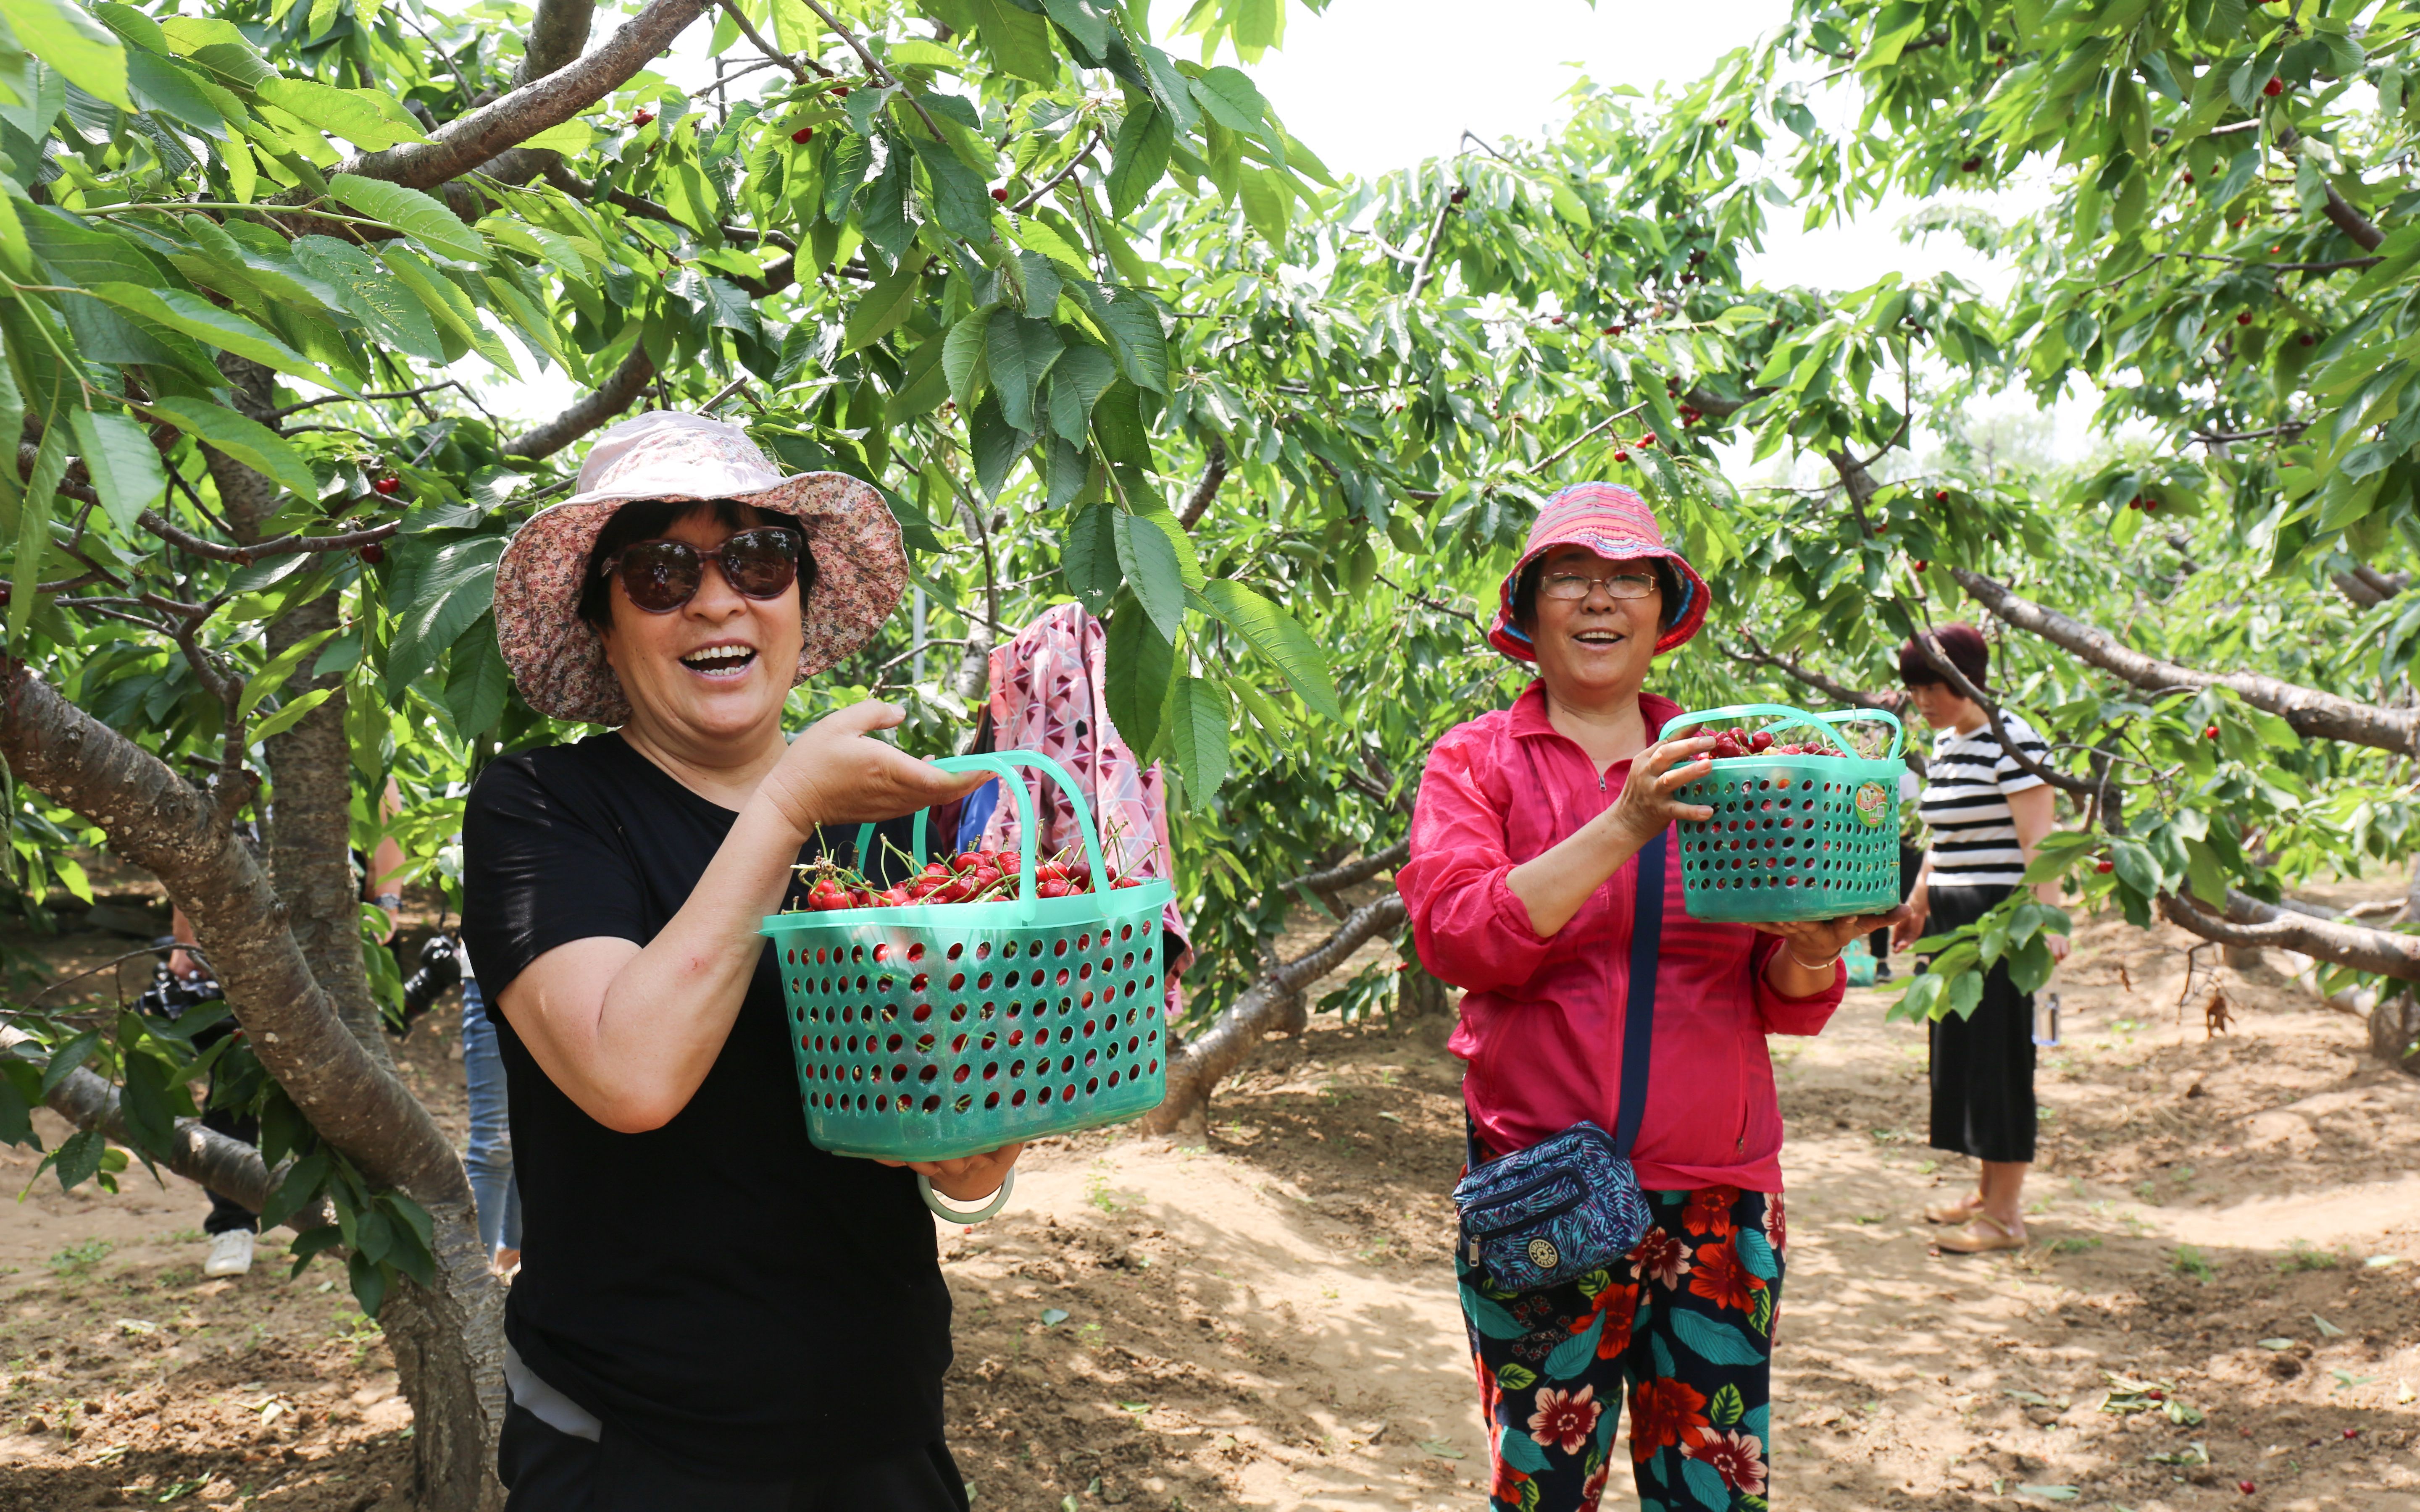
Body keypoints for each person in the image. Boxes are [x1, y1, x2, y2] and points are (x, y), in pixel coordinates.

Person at [462, 412, 1004, 1509]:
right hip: (634, 1451)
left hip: (880, 1432)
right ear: (606, 627)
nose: (718, 601)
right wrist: (790, 802)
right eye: (662, 573)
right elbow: (630, 1073)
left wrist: (972, 1150)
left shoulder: (880, 833)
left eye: (758, 562)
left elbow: (964, 1155)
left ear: (801, 601)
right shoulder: (544, 810)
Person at [1398, 483, 1906, 1512]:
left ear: (1660, 610)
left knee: (1708, 1491)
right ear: (1527, 608)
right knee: (1542, 1484)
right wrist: (1625, 821)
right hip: (1544, 1180)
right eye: (1572, 577)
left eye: (1628, 578)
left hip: (1715, 1194)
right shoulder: (1475, 761)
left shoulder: (1738, 767)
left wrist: (1816, 947)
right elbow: (1460, 937)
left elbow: (1785, 997)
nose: (1599, 599)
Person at [166, 792, 406, 1279]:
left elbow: (387, 825)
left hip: (329, 943)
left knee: (344, 1084)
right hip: (235, 944)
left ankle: (356, 1220)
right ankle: (232, 1226)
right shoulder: (222, 747)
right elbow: (190, 846)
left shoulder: (332, 734)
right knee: (233, 1086)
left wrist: (387, 903)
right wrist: (183, 935)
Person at [1890, 622, 2068, 1255]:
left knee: (2001, 1062)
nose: (1925, 700)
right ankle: (1986, 1192)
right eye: (1916, 689)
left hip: (2002, 920)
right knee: (1962, 1058)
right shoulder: (1946, 743)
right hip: (1951, 920)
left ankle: (2006, 1216)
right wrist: (1917, 903)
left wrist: (2047, 922)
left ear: (1969, 678)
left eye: (1935, 686)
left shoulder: (2012, 737)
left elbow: (2040, 842)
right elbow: (1944, 838)